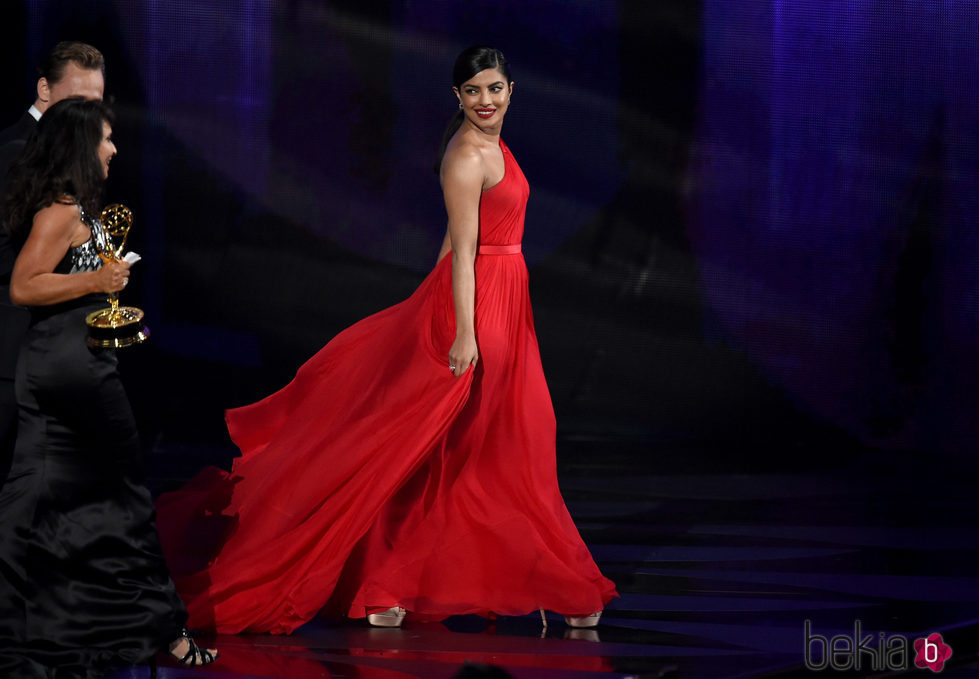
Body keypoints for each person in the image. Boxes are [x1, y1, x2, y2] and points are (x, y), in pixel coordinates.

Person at [155, 45, 616, 634]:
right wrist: (462, 332)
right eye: (473, 91)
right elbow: (465, 255)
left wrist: (429, 310)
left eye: (494, 88)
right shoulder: (466, 156)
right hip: (482, 307)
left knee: (485, 445)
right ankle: (433, 583)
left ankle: (415, 583)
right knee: (479, 446)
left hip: (501, 300)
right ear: (457, 97)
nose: (485, 100)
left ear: (511, 90)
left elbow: (452, 244)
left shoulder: (496, 146)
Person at [0, 98, 217, 676]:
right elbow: (23, 287)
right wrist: (98, 278)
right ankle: (162, 628)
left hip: (78, 362)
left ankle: (74, 623)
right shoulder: (61, 208)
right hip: (67, 370)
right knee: (118, 497)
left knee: (68, 501)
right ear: (80, 145)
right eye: (106, 139)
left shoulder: (78, 206)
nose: (115, 149)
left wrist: (107, 285)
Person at [0, 41, 106, 485]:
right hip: (11, 347)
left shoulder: (66, 156)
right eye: (78, 101)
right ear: (44, 89)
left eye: (95, 105)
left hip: (50, 350)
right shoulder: (16, 152)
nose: (89, 116)